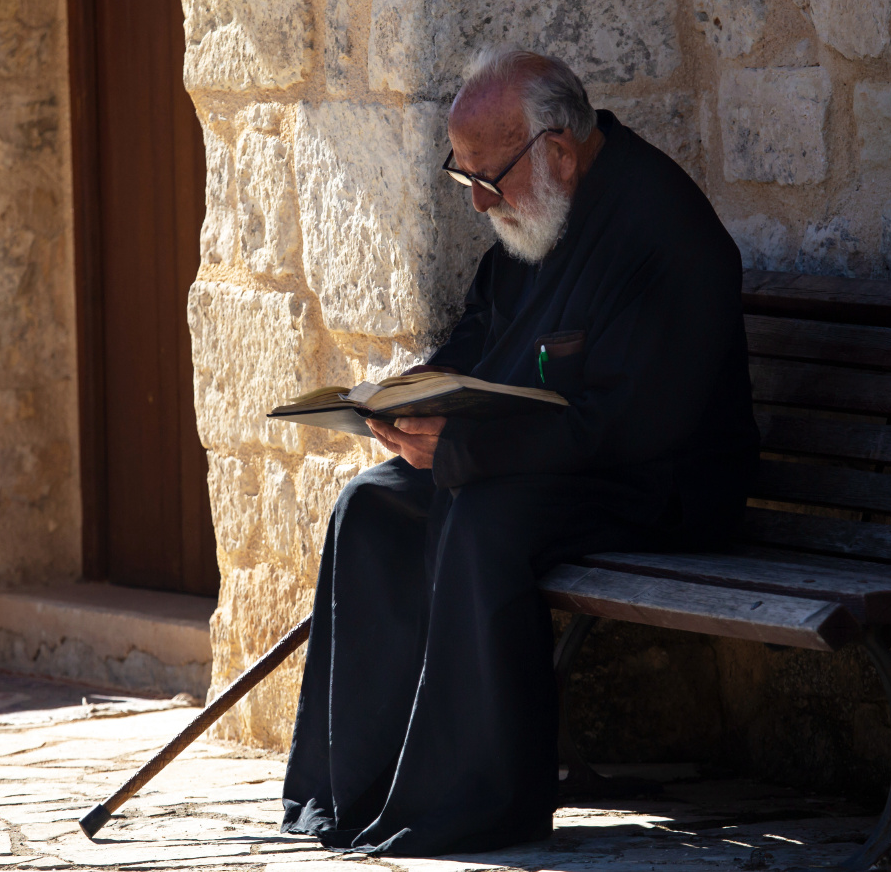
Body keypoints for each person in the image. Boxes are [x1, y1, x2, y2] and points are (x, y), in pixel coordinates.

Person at [280, 47, 759, 857]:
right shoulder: (537, 204)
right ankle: (355, 790)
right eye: (463, 179)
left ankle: (467, 804)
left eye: (486, 181)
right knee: (372, 505)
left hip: (657, 487)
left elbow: (628, 427)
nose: (478, 202)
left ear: (558, 152)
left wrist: (464, 451)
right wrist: (423, 394)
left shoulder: (664, 233)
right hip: (553, 465)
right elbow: (485, 329)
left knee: (486, 520)